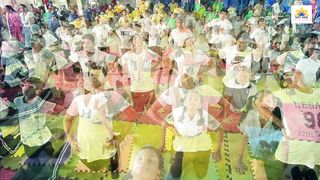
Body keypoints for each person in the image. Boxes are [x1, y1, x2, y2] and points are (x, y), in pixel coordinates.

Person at [64, 69, 134, 176]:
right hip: (84, 148)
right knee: (95, 168)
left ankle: (115, 172)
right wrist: (70, 139)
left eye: (97, 74)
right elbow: (67, 119)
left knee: (113, 165)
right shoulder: (78, 100)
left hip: (107, 145)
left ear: (105, 79)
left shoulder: (112, 96)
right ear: (87, 83)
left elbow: (132, 116)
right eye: (91, 74)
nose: (93, 76)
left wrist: (121, 137)